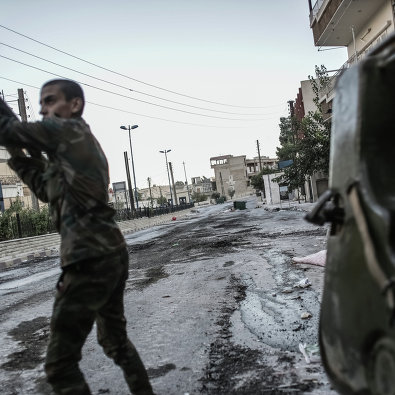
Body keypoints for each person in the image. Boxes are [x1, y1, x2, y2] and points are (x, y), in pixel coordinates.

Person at [0, 79, 154, 395]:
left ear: (74, 105)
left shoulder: (67, 130)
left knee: (60, 366)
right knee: (115, 341)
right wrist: (17, 153)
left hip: (90, 259)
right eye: (41, 103)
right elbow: (44, 188)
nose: (43, 109)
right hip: (107, 253)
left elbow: (9, 130)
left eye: (50, 100)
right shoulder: (69, 147)